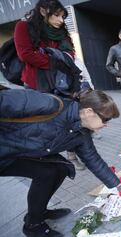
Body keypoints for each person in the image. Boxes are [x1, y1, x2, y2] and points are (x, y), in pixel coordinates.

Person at [0, 89, 121, 237]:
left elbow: (92, 159)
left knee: (60, 168)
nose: (106, 125)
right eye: (106, 119)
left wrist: (118, 186)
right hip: (5, 151)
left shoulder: (82, 133)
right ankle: (33, 226)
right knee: (48, 172)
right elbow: (4, 100)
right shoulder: (49, 105)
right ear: (90, 111)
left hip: (19, 154)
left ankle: (38, 211)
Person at [14, 0, 86, 170]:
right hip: (36, 83)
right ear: (43, 11)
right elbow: (25, 54)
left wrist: (62, 60)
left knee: (68, 119)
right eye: (57, 15)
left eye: (63, 16)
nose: (61, 20)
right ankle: (45, 158)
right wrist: (56, 62)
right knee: (39, 123)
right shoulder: (23, 27)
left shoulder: (62, 31)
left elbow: (71, 53)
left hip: (62, 83)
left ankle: (72, 155)